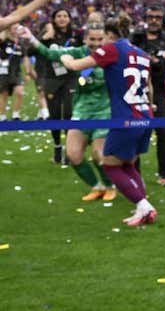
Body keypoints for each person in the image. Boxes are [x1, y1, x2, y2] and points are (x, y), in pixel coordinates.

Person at [60, 14, 158, 226]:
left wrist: (65, 58)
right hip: (145, 115)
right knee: (128, 164)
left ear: (110, 35)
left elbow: (76, 66)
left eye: (103, 37)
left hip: (125, 117)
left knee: (110, 165)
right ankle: (143, 208)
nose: (100, 42)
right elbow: (148, 86)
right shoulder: (142, 53)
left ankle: (143, 205)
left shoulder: (112, 49)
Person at [19, 21, 117, 201]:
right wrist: (31, 38)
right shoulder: (78, 53)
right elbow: (50, 53)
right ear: (85, 39)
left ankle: (110, 185)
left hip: (105, 111)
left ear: (106, 39)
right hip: (81, 110)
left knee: (99, 155)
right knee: (73, 155)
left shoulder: (111, 55)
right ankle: (97, 187)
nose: (96, 43)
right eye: (92, 39)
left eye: (100, 39)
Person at [130, 4, 165, 185]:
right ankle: (136, 175)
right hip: (136, 90)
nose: (154, 20)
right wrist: (155, 61)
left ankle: (164, 174)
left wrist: (157, 62)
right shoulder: (136, 37)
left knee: (163, 132)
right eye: (151, 16)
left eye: (158, 17)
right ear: (145, 17)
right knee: (137, 132)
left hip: (158, 90)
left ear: (163, 20)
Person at [35, 3, 80, 164]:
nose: (62, 19)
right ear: (53, 19)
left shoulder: (75, 36)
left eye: (65, 16)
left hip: (70, 79)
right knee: (54, 115)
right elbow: (33, 50)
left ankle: (69, 150)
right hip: (52, 79)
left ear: (69, 19)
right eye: (59, 16)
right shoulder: (47, 34)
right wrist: (44, 37)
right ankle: (57, 146)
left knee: (69, 113)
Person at [0, 26, 27, 121]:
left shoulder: (20, 43)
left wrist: (28, 73)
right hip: (4, 72)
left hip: (17, 73)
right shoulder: (4, 40)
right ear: (9, 29)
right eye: (14, 27)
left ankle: (16, 115)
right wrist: (4, 29)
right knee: (4, 95)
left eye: (18, 27)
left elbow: (25, 58)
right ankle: (2, 116)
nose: (16, 29)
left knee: (20, 92)